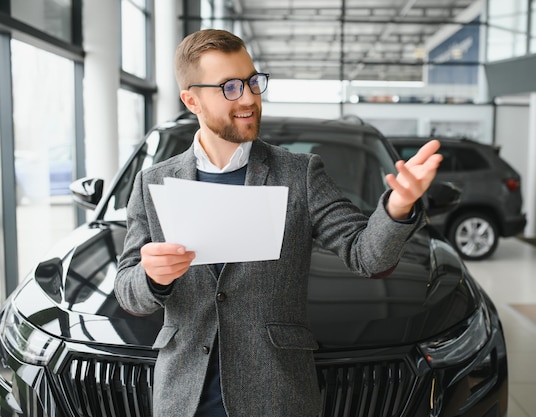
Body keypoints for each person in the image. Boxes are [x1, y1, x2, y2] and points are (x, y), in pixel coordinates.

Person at [114, 29, 442, 417]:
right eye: (230, 88)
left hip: (277, 395)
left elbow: (365, 255)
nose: (250, 97)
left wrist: (398, 205)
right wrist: (151, 276)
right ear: (192, 100)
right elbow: (127, 289)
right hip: (184, 399)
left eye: (253, 81)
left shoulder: (299, 173)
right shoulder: (152, 181)